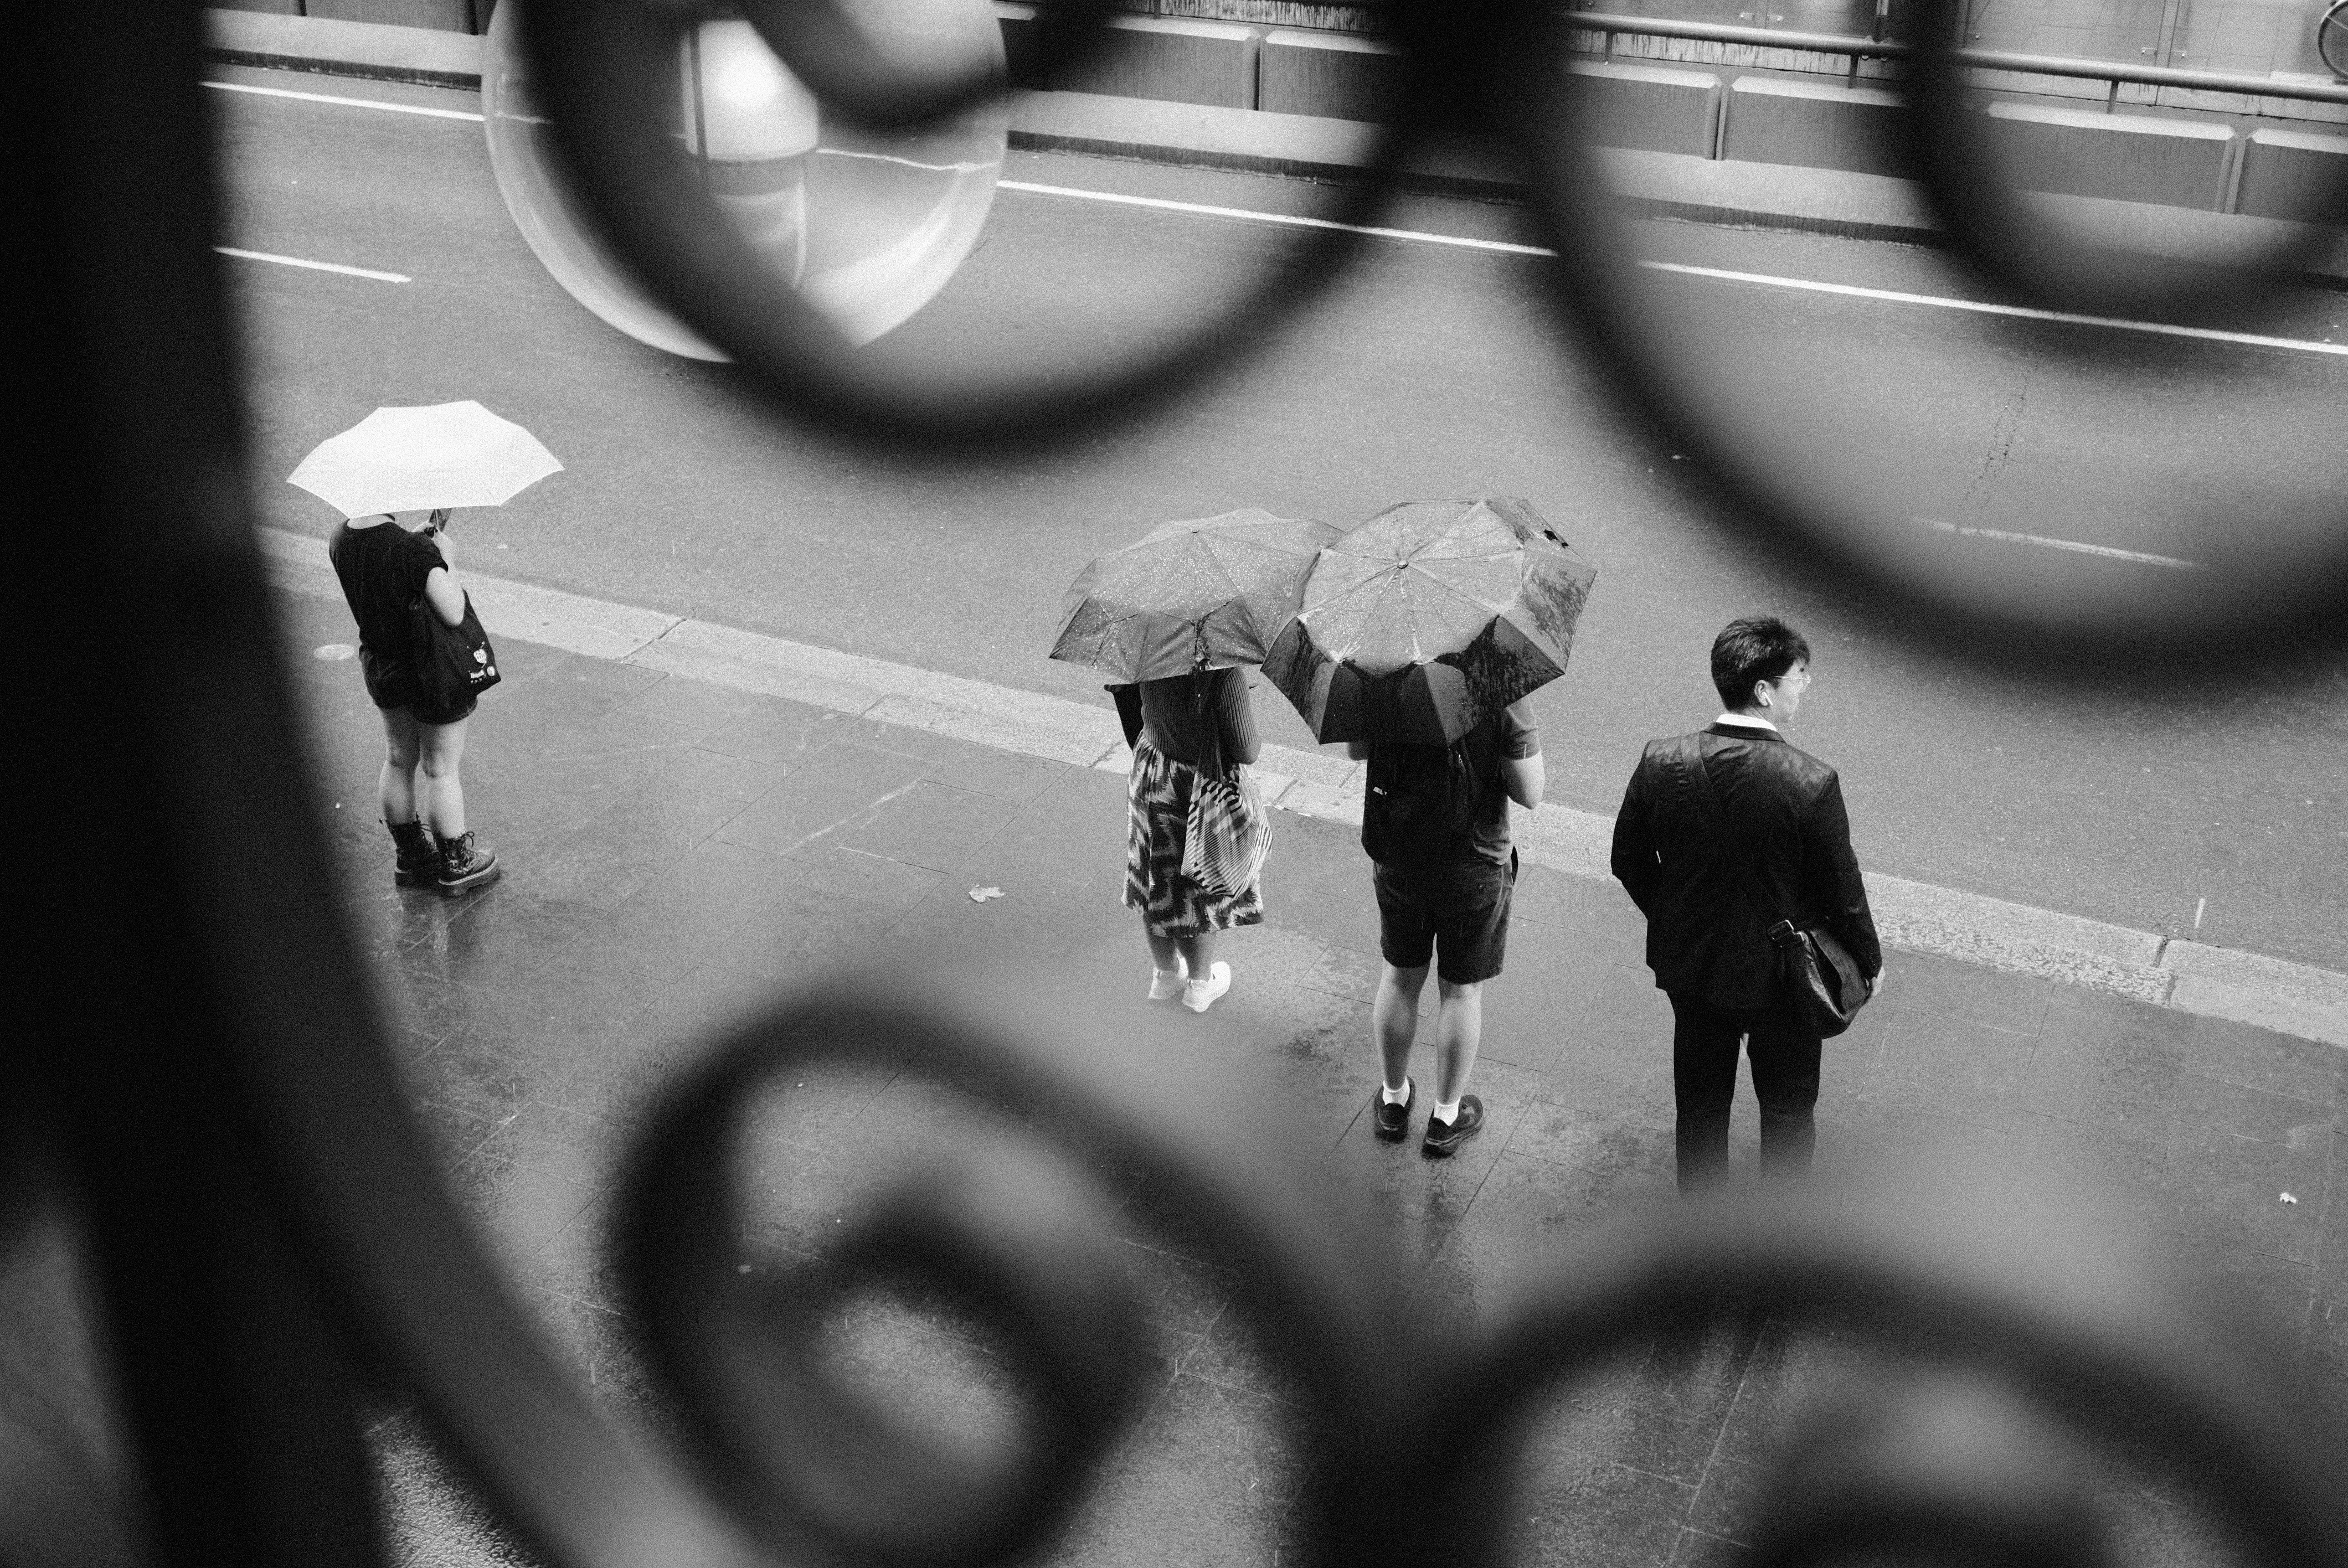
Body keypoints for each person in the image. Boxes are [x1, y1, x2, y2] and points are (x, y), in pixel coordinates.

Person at [1609, 616, 1881, 1193]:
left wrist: (1678, 919)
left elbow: (1627, 861)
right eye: (1799, 675)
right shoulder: (1809, 781)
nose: (1805, 685)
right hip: (1783, 979)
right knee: (1786, 1110)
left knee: (1701, 1108)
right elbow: (1842, 893)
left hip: (1695, 971)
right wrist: (1867, 964)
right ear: (1763, 690)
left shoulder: (1661, 760)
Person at [1352, 699, 1543, 1158]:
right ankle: (1446, 1116)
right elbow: (1530, 791)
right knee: (1461, 991)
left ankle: (1394, 1102)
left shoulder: (1381, 673)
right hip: (1473, 864)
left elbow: (1358, 749)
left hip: (1399, 856)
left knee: (1399, 977)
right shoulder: (1499, 691)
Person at [326, 509, 501, 895]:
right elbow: (453, 611)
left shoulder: (341, 539)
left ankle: (412, 855)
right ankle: (456, 864)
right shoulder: (412, 550)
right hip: (431, 670)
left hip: (383, 667)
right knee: (441, 769)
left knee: (398, 758)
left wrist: (421, 546)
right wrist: (444, 561)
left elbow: (386, 566)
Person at [1122, 666, 1263, 1013]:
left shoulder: (1151, 651)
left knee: (1156, 880)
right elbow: (1247, 751)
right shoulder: (1224, 673)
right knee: (1200, 887)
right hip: (1201, 786)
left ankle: (1166, 974)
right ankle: (1200, 984)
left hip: (1153, 773)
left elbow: (1135, 709)